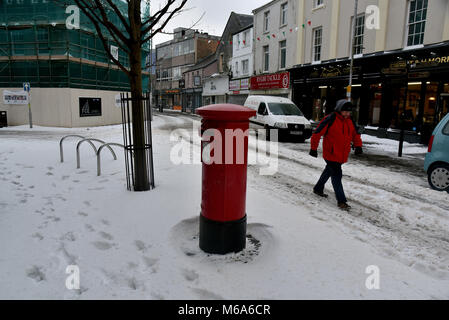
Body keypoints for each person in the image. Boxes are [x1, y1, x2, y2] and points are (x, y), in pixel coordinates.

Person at [309, 99, 363, 210]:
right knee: (337, 175)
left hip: (342, 154)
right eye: (345, 112)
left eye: (349, 112)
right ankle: (341, 201)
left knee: (329, 171)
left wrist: (358, 146)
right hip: (331, 154)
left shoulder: (350, 121)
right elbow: (317, 133)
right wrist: (313, 148)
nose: (347, 114)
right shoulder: (330, 119)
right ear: (339, 110)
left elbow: (355, 134)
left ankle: (318, 188)